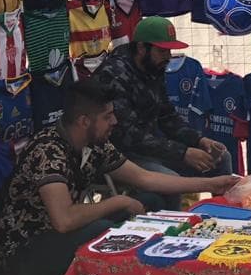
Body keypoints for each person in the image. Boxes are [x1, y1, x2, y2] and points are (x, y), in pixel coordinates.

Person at [0, 80, 239, 275]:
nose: (115, 122)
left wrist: (211, 185)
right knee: (103, 232)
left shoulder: (95, 144)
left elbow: (146, 178)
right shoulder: (48, 151)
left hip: (61, 234)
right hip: (26, 250)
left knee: (151, 200)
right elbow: (64, 220)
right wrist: (118, 201)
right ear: (84, 121)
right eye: (107, 116)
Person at [92, 16, 231, 181]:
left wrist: (199, 140)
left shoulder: (152, 69)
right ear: (142, 48)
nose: (168, 57)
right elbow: (128, 136)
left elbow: (168, 117)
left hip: (150, 151)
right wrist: (182, 153)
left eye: (170, 51)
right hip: (117, 156)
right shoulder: (113, 74)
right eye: (162, 51)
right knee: (169, 181)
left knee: (221, 157)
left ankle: (223, 206)